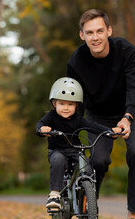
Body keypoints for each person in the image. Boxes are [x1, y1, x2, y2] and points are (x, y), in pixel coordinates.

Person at [67, 9, 135, 219]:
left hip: (129, 111)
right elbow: (77, 100)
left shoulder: (128, 52)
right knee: (99, 161)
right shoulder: (76, 62)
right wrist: (73, 127)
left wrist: (128, 117)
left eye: (100, 31)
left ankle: (133, 214)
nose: (95, 37)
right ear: (82, 35)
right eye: (90, 32)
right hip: (98, 116)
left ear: (109, 31)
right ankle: (90, 208)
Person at [36, 77, 122, 208]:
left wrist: (109, 131)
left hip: (75, 150)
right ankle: (54, 194)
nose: (66, 108)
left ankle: (88, 201)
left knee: (88, 170)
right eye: (62, 104)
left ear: (77, 105)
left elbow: (93, 126)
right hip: (57, 151)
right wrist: (42, 129)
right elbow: (40, 124)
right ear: (54, 103)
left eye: (70, 104)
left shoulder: (78, 119)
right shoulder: (51, 117)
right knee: (58, 160)